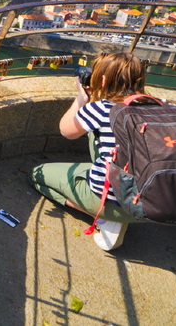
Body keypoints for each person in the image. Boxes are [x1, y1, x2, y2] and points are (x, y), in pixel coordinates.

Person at [28, 52, 146, 251]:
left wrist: (82, 99)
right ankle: (112, 207)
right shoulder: (163, 106)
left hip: (119, 203)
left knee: (36, 175)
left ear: (102, 79)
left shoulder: (102, 108)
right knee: (101, 135)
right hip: (158, 203)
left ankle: (104, 218)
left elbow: (66, 130)